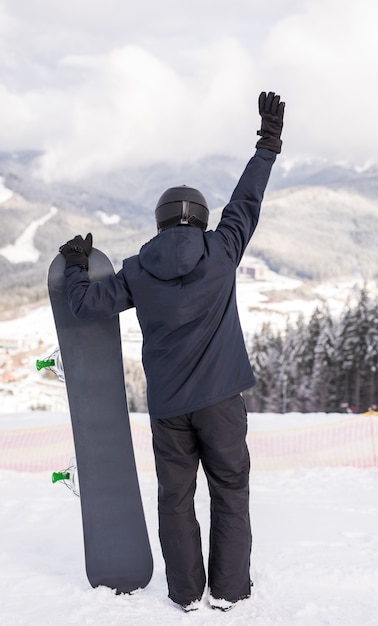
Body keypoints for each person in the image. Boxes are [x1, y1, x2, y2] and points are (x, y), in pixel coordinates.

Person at [59, 91, 285, 612]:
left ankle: (185, 594)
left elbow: (84, 304)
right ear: (201, 218)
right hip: (222, 401)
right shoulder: (223, 250)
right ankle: (228, 591)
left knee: (175, 500)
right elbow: (247, 199)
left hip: (169, 409)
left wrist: (75, 263)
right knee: (230, 490)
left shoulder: (137, 270)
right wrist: (267, 143)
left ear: (160, 221)